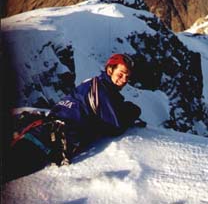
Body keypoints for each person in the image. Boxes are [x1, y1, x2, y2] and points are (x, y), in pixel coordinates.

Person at [4, 54, 146, 182]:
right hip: (49, 140)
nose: (124, 80)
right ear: (110, 70)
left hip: (42, 129)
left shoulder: (93, 83)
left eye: (127, 76)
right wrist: (134, 111)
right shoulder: (103, 91)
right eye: (121, 74)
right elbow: (116, 126)